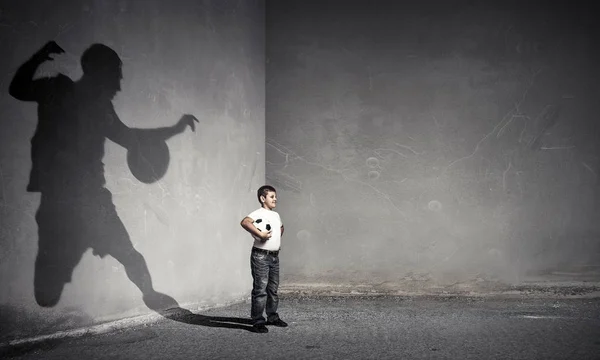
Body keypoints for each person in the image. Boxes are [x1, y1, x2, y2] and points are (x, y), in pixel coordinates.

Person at [9, 40, 197, 311]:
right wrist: (38, 57)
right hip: (60, 203)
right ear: (98, 71)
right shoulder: (57, 91)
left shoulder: (101, 109)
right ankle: (67, 253)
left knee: (130, 256)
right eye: (115, 74)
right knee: (46, 297)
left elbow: (130, 137)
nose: (119, 83)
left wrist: (175, 129)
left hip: (93, 201)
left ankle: (150, 294)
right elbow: (17, 89)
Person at [240, 185, 288, 333]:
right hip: (260, 256)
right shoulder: (257, 213)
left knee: (273, 289)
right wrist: (260, 235)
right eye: (272, 197)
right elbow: (245, 222)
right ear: (263, 198)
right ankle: (258, 321)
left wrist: (276, 239)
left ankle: (272, 317)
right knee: (260, 290)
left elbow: (281, 227)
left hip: (274, 257)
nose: (275, 199)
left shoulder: (275, 215)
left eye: (275, 196)